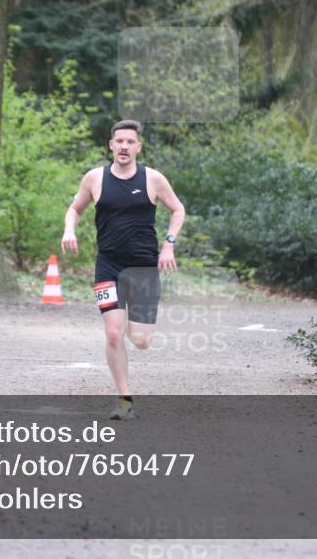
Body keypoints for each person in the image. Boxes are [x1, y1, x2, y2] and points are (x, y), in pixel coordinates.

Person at [61, 119, 186, 419]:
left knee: (141, 341)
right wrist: (69, 230)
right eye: (120, 141)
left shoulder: (153, 179)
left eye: (130, 142)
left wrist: (168, 245)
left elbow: (177, 209)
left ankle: (132, 320)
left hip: (143, 268)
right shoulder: (95, 178)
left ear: (138, 147)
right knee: (114, 334)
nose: (124, 147)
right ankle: (124, 400)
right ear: (111, 145)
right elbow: (75, 208)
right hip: (109, 266)